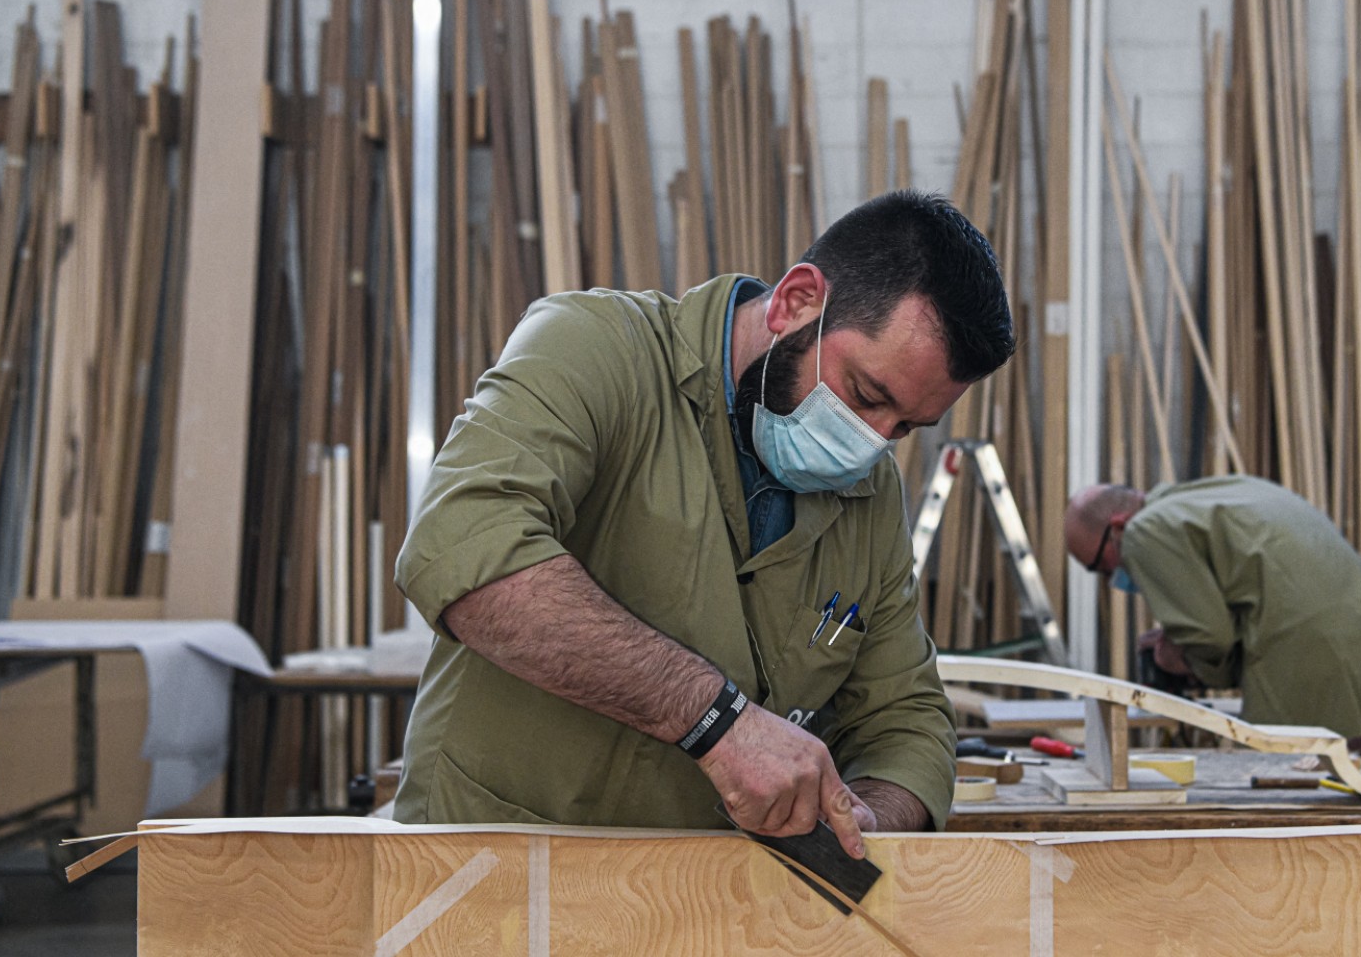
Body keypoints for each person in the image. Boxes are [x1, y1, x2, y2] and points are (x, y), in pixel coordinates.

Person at [393, 191, 1014, 859]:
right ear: (796, 302)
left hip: (704, 903)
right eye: (866, 396)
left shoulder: (869, 493)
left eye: (906, 429)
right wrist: (718, 722)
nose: (873, 442)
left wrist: (866, 823)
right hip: (487, 879)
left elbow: (907, 719)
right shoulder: (594, 348)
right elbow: (462, 547)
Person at [1064, 476, 1361, 740]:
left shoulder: (1145, 530)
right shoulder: (1228, 491)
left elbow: (1208, 637)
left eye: (1101, 566)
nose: (1112, 578)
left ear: (1118, 525)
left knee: (1309, 823)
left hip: (1311, 669)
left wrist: (1176, 656)